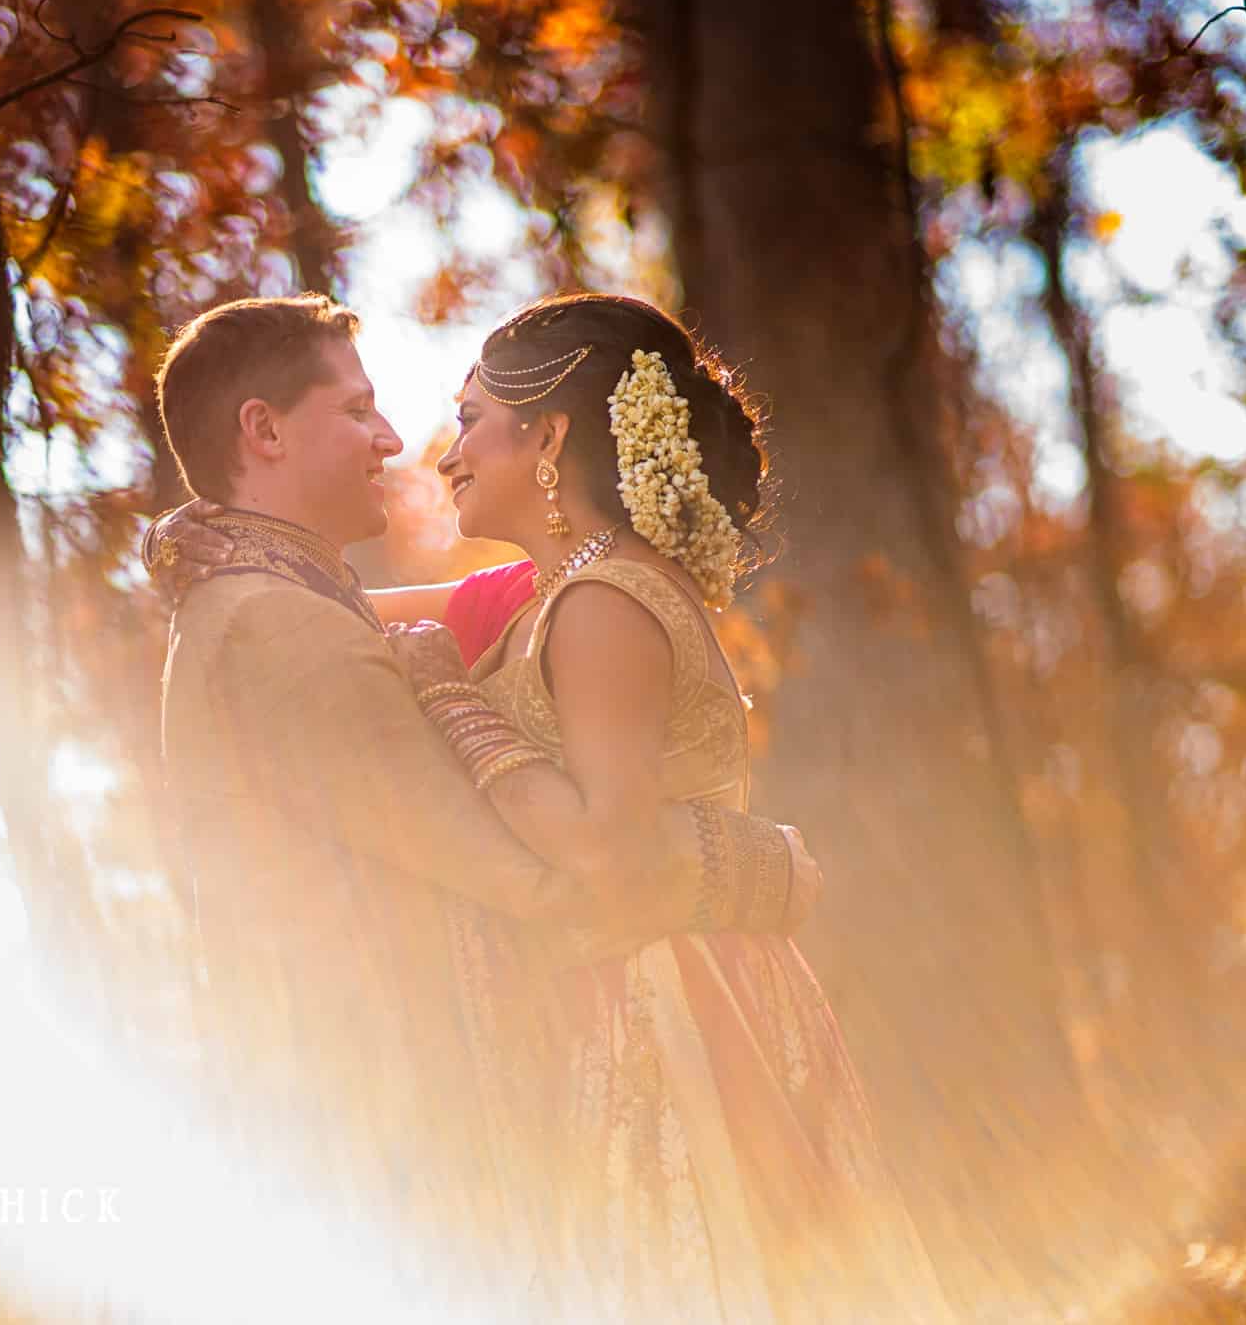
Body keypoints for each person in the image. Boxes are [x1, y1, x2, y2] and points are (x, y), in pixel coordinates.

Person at [154, 294, 947, 1321]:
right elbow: (531, 865)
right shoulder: (286, 628)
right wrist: (756, 864)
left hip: (659, 1008)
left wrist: (205, 547)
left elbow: (566, 826)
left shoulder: (575, 595)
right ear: (261, 430)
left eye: (467, 415)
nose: (409, 443)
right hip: (413, 1104)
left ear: (551, 434)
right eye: (360, 411)